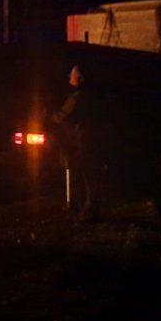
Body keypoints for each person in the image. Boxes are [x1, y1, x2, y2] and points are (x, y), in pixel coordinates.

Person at [48, 64, 102, 222]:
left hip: (83, 139)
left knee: (88, 175)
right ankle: (86, 208)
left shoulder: (77, 97)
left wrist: (49, 118)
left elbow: (64, 115)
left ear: (78, 79)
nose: (68, 77)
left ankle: (90, 211)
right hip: (85, 138)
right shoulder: (84, 95)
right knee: (88, 175)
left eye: (71, 74)